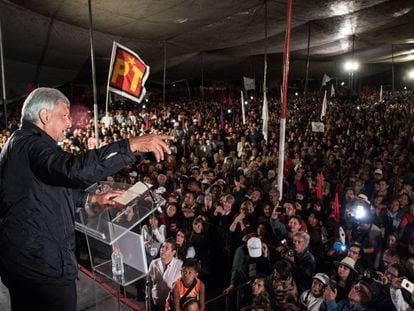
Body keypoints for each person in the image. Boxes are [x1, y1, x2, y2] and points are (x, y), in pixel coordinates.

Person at [0, 88, 173, 311]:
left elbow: (47, 188)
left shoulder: (21, 142)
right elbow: (73, 170)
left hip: (31, 261)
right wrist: (129, 146)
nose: (69, 122)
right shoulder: (33, 145)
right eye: (64, 115)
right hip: (41, 268)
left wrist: (90, 198)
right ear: (44, 116)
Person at [147, 238, 183, 311]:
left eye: (167, 248)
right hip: (155, 305)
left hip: (170, 307)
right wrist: (148, 304)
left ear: (173, 252)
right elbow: (148, 285)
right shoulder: (154, 263)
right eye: (162, 247)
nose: (162, 250)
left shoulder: (180, 266)